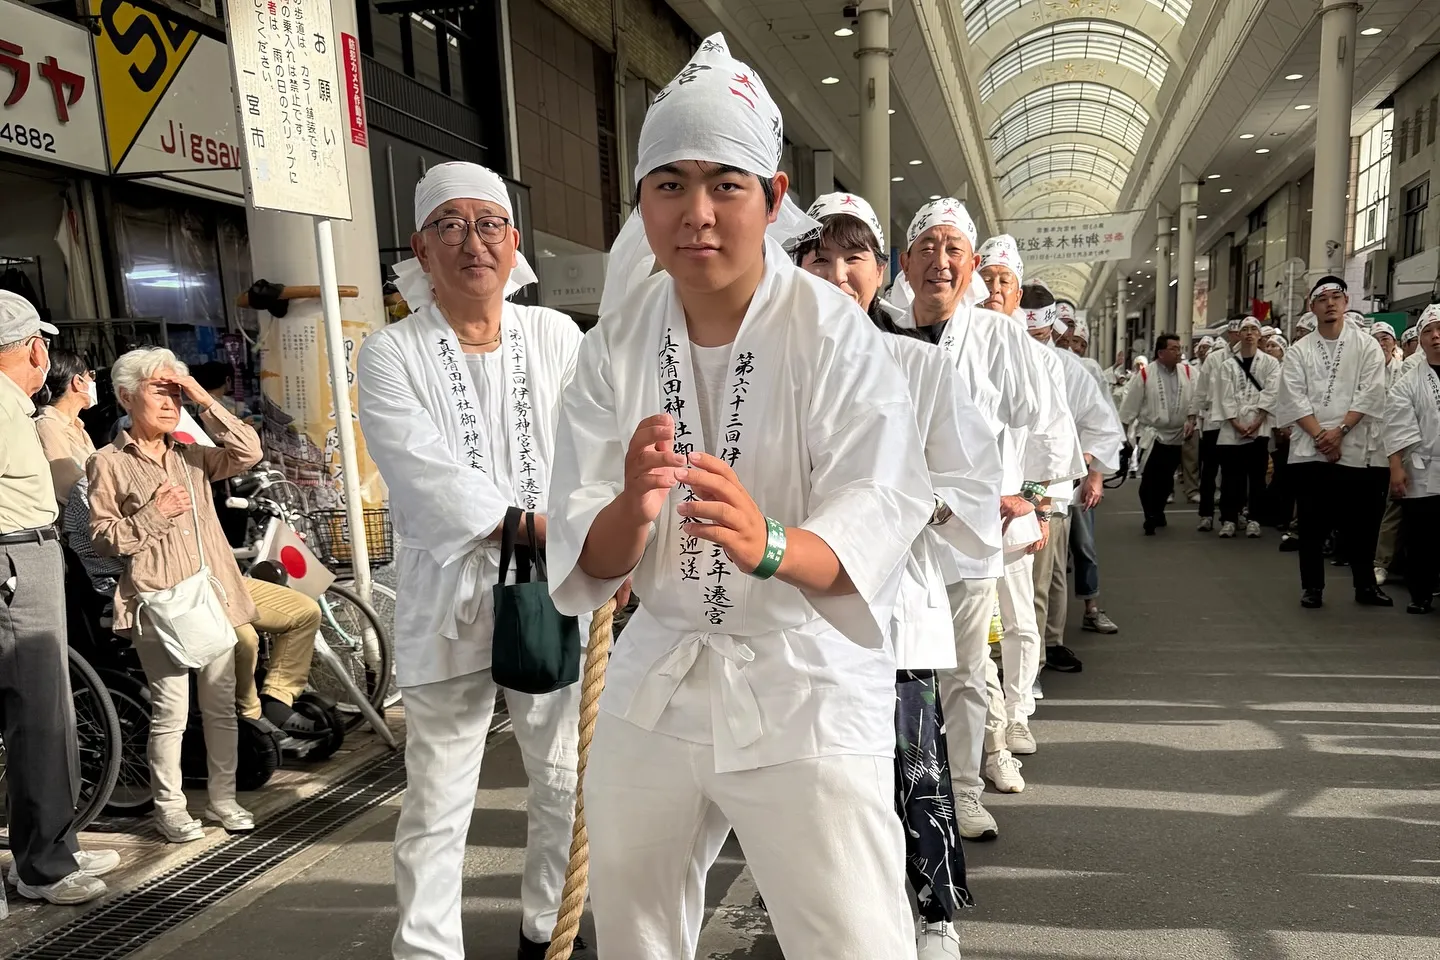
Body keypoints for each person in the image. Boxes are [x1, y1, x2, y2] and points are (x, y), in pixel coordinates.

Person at [547, 36, 933, 960]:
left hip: (799, 672)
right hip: (664, 667)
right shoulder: (616, 341)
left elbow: (881, 495)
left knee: (852, 935)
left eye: (726, 183)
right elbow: (586, 549)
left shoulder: (830, 330)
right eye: (668, 184)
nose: (698, 213)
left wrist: (768, 543)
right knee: (633, 915)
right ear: (640, 204)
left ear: (772, 197)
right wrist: (630, 511)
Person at [356, 161, 586, 960]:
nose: (472, 242)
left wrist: (600, 542)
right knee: (438, 795)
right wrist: (545, 528)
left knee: (561, 780)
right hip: (448, 588)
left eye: (489, 224)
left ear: (514, 242)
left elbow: (592, 448)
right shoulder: (389, 352)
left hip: (554, 590)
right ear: (420, 248)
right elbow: (419, 470)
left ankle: (546, 932)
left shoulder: (556, 336)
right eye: (449, 225)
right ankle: (426, 951)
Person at [795, 190, 1002, 959]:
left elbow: (975, 485)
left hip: (893, 607)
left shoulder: (920, 367)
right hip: (798, 612)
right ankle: (836, 918)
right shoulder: (770, 369)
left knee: (910, 767)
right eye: (818, 256)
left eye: (854, 256)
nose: (836, 272)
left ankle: (931, 914)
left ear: (881, 273)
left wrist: (912, 503)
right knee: (822, 783)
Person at [904, 219, 1081, 838]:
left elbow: (1042, 421)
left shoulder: (998, 337)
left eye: (954, 249)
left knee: (966, 667)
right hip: (897, 529)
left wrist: (1031, 494)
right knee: (898, 671)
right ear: (904, 261)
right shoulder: (885, 325)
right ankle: (902, 796)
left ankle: (965, 790)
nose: (940, 261)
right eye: (927, 246)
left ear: (972, 262)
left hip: (970, 529)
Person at [88, 347, 260, 842]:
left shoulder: (192, 455)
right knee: (170, 713)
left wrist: (203, 398)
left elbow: (249, 451)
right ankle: (171, 807)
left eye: (175, 392)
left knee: (221, 705)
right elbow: (103, 539)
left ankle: (224, 799)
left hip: (212, 597)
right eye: (158, 390)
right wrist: (156, 513)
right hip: (157, 602)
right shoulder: (107, 462)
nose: (170, 401)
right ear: (125, 396)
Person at [0, 291, 119, 906]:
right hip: (15, 559)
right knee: (40, 716)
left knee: (51, 714)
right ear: (34, 350)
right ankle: (44, 863)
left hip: (30, 555)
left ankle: (52, 844)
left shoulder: (17, 407)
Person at [1014, 281, 1125, 675]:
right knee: (1012, 586)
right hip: (999, 490)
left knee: (1041, 580)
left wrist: (1084, 467)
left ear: (1051, 331)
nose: (1031, 342)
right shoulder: (989, 354)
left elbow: (1103, 426)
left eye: (1039, 335)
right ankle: (1025, 658)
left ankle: (1037, 662)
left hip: (1049, 491)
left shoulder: (1069, 369)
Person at [1270, 276, 1389, 608]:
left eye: (1337, 296)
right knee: (1311, 524)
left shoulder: (1366, 345)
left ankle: (1365, 586)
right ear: (1313, 307)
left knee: (1361, 525)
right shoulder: (1298, 351)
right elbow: (1293, 398)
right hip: (1310, 450)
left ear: (1347, 302)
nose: (1331, 303)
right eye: (1323, 299)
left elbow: (1371, 391)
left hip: (1353, 447)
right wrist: (1322, 436)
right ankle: (1313, 588)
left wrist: (1341, 432)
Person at [1383, 304, 1440, 613]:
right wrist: (1396, 467)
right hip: (1422, 466)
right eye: (1428, 332)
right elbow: (1397, 425)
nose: (1435, 337)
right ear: (1420, 339)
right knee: (1421, 536)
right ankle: (1421, 593)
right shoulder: (1408, 382)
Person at [1120, 333, 1197, 535]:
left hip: (1178, 434)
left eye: (1179, 348)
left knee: (1166, 479)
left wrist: (1192, 419)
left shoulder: (1188, 372)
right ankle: (1150, 515)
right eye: (1173, 348)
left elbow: (1197, 400)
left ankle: (1159, 509)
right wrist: (1123, 434)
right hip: (1151, 434)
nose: (1178, 352)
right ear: (1161, 353)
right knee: (1150, 477)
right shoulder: (1145, 375)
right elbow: (1130, 406)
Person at [1214, 316, 1280, 538]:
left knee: (1257, 476)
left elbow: (1272, 392)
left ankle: (1254, 518)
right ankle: (1229, 518)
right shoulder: (1228, 366)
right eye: (1245, 330)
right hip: (1234, 427)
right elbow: (1224, 396)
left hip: (1258, 427)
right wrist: (1235, 422)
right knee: (1232, 476)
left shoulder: (1270, 364)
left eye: (1254, 329)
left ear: (1260, 334)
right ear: (1239, 335)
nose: (1250, 333)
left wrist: (1258, 421)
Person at [33, 348, 98, 506]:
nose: (93, 381)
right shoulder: (48, 425)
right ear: (78, 382)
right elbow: (67, 487)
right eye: (91, 375)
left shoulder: (77, 427)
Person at [1194, 320, 1240, 525]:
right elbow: (1201, 391)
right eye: (1236, 331)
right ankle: (1206, 514)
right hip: (1213, 421)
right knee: (1209, 471)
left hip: (1238, 424)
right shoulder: (1214, 359)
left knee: (1233, 473)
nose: (1239, 335)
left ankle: (1232, 515)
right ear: (1229, 333)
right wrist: (1193, 415)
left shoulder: (1250, 359)